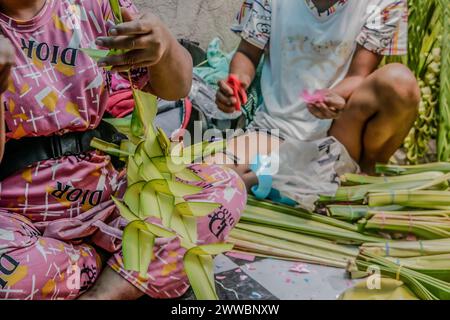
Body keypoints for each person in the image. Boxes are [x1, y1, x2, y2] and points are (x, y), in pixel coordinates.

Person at [0, 0, 246, 300]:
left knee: (225, 187)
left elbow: (176, 89)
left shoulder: (92, 6)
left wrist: (165, 47)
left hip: (109, 201)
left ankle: (104, 291)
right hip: (16, 219)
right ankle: (113, 263)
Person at [213, 0, 421, 191]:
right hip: (277, 129)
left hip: (339, 134)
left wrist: (333, 97)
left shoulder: (384, 3)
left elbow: (359, 74)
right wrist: (238, 83)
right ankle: (309, 175)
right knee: (214, 176)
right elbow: (248, 53)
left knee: (401, 82)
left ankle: (364, 175)